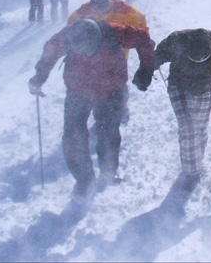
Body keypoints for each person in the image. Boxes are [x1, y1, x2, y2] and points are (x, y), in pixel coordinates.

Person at [29, 17, 155, 200]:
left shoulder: (114, 32)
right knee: (73, 136)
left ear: (97, 37)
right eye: (82, 51)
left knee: (109, 132)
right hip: (78, 91)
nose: (86, 54)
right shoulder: (67, 36)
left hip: (111, 90)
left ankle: (109, 172)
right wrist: (39, 76)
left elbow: (143, 39)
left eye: (89, 49)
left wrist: (146, 67)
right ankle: (84, 180)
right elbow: (51, 50)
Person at [134, 28, 211, 185]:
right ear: (187, 47)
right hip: (180, 86)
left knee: (200, 128)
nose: (198, 61)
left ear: (210, 48)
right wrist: (146, 70)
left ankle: (195, 160)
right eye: (194, 58)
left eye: (202, 59)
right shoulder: (177, 40)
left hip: (206, 88)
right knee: (189, 129)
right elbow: (157, 56)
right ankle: (191, 173)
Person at [67, 0, 151, 124]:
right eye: (95, 0)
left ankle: (119, 108)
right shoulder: (82, 12)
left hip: (117, 56)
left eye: (102, 0)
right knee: (94, 84)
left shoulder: (125, 10)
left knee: (116, 85)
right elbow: (71, 31)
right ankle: (102, 114)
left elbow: (141, 26)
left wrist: (140, 41)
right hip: (89, 56)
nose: (99, 4)